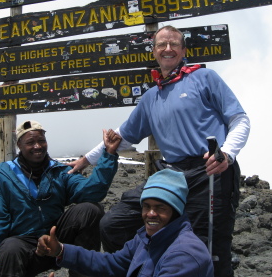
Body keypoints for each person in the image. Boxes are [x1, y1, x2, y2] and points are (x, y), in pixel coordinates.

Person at [68, 25, 250, 277]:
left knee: (209, 247)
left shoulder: (204, 78)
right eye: (161, 44)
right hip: (172, 174)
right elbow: (120, 136)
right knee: (112, 225)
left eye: (174, 44)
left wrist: (227, 153)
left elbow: (239, 119)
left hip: (210, 170)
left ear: (183, 50)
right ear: (154, 52)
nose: (168, 49)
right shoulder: (151, 96)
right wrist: (85, 160)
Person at [0, 120, 121, 277]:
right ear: (19, 146)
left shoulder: (59, 171)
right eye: (30, 142)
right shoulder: (4, 176)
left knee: (90, 210)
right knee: (11, 248)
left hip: (55, 239)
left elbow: (92, 192)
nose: (37, 146)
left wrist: (109, 154)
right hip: (22, 244)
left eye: (41, 140)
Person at [36, 169, 213, 277]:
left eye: (160, 208)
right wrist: (61, 250)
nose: (151, 214)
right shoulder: (146, 238)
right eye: (147, 206)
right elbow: (111, 263)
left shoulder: (185, 255)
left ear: (176, 211)